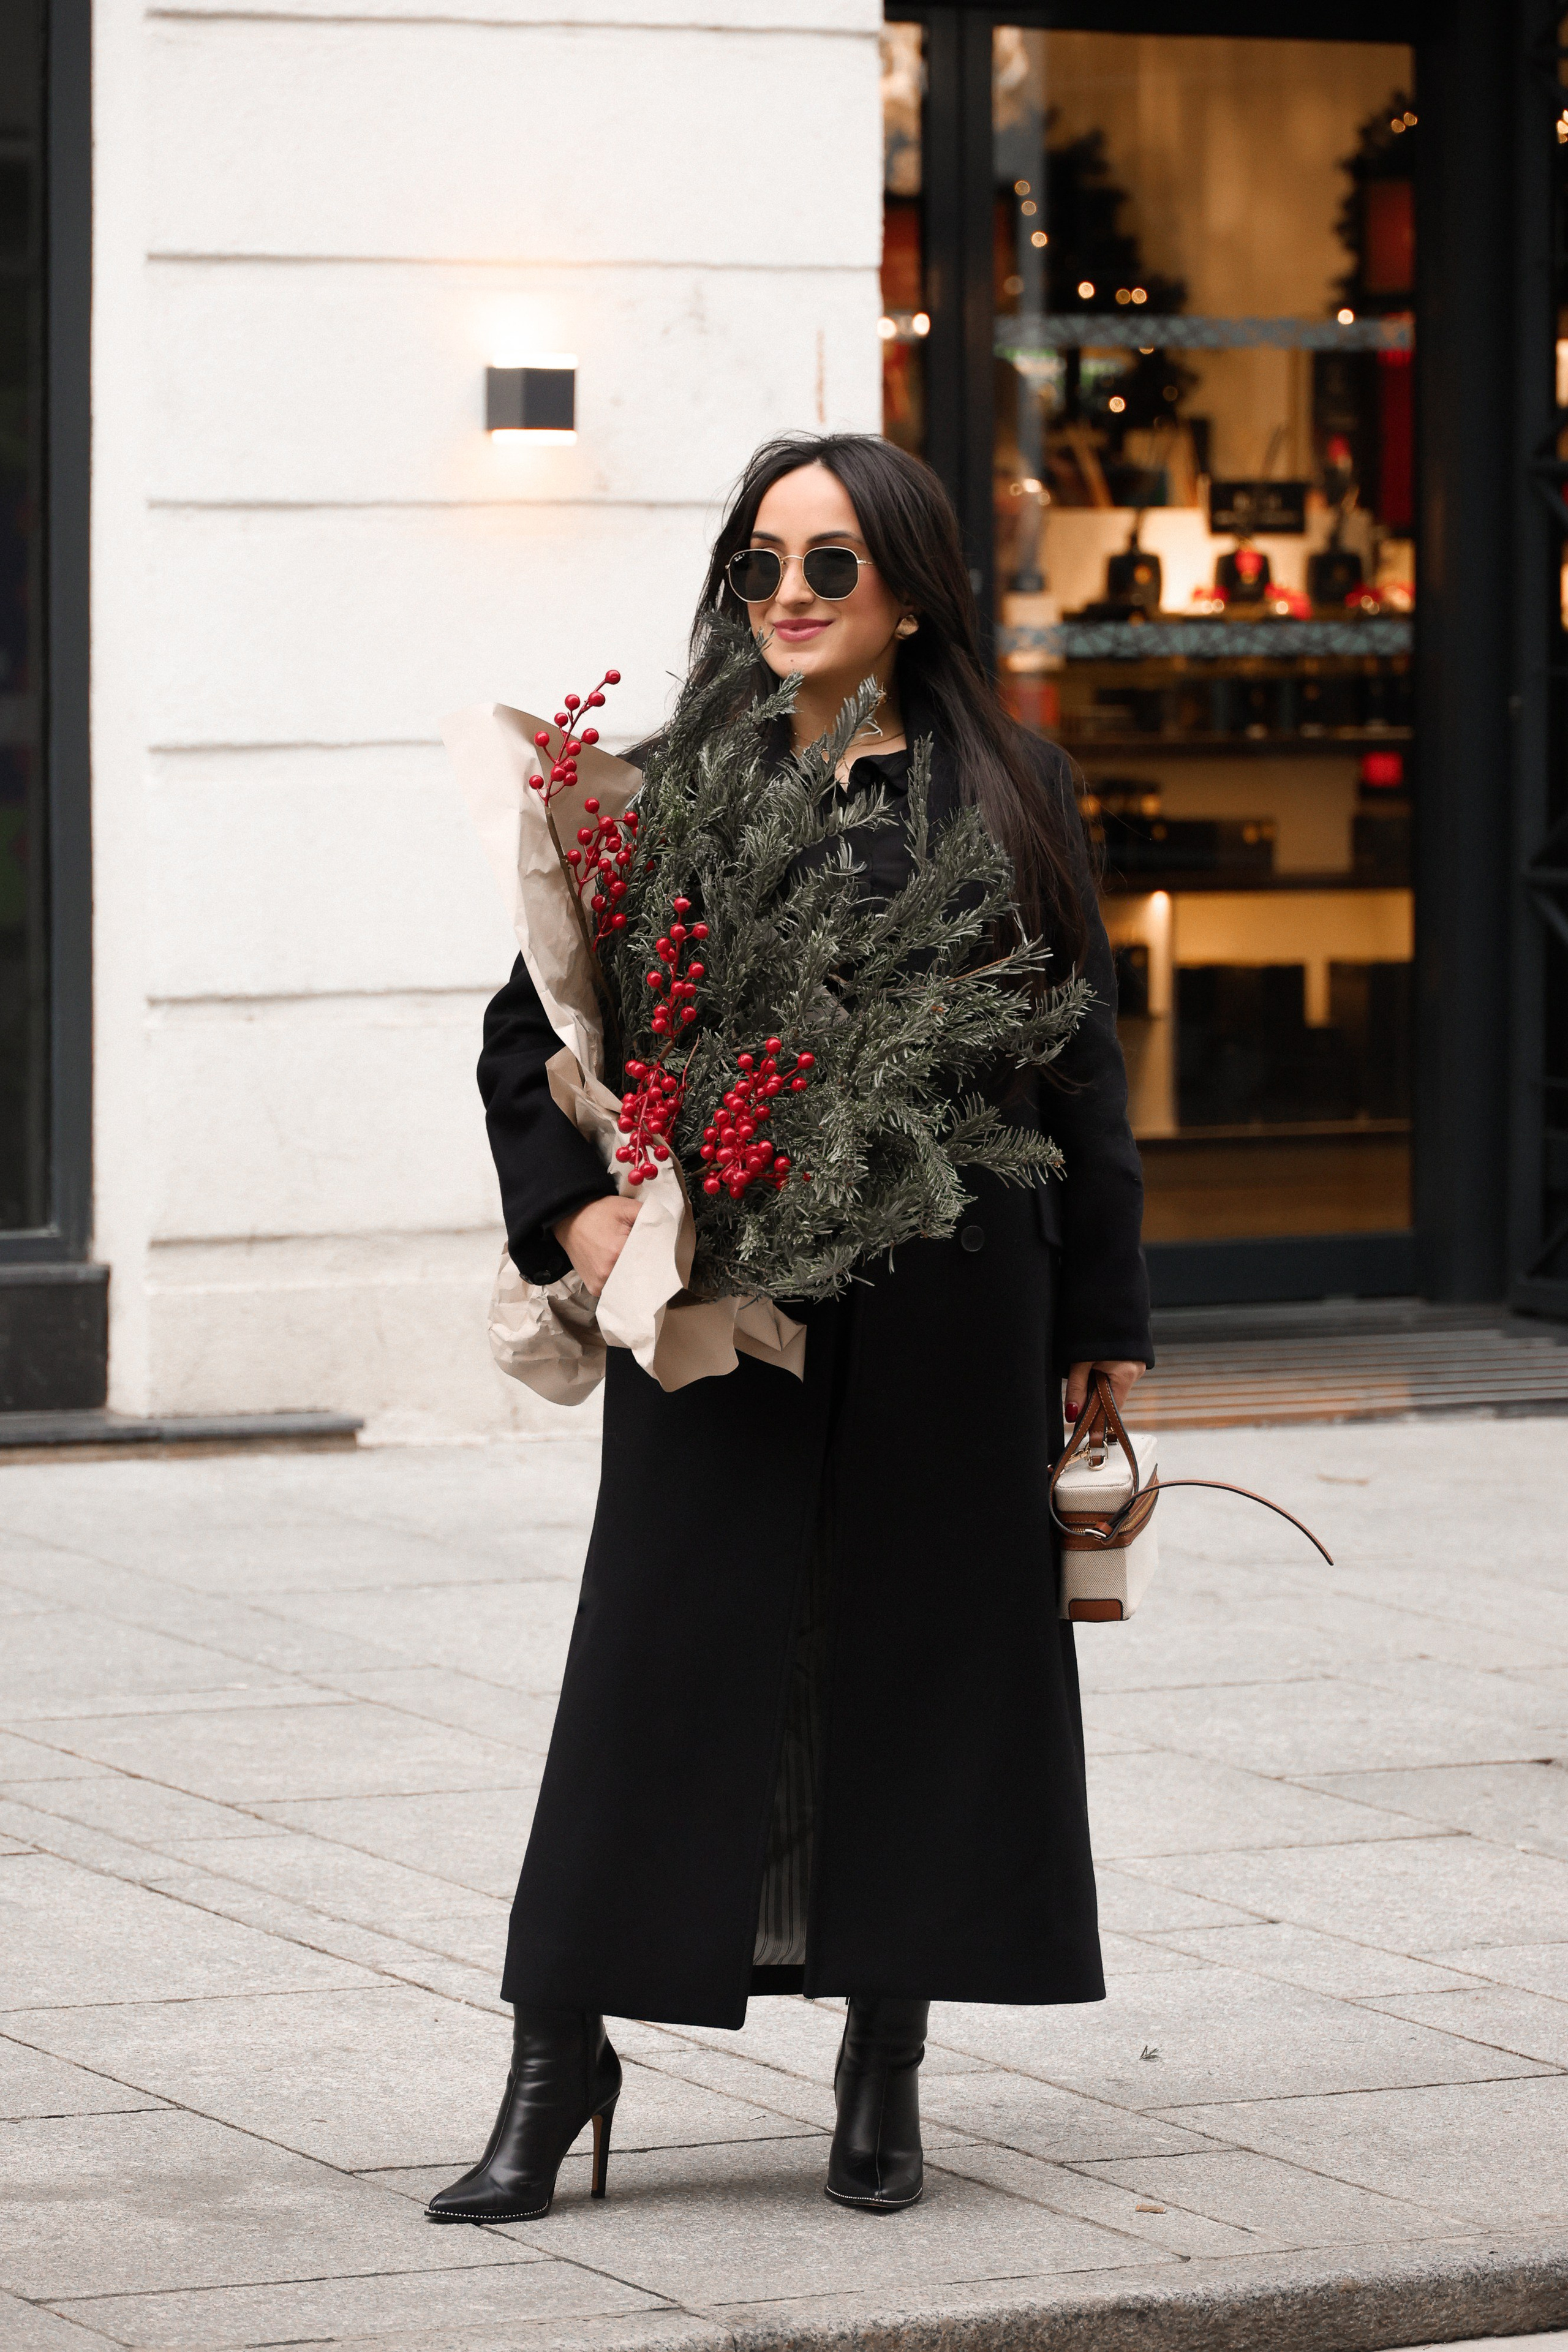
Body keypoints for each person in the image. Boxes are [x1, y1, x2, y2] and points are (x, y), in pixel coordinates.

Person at [427, 432, 1151, 2226]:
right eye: (761, 565)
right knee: (654, 1671)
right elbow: (535, 1036)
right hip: (722, 1309)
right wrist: (582, 1216)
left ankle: (881, 2051)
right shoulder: (663, 790)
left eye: (828, 566)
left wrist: (1106, 1316)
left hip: (957, 1308)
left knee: (917, 1661)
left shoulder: (1011, 790)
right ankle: (556, 2052)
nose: (790, 600)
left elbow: (1081, 1070)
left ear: (907, 587)